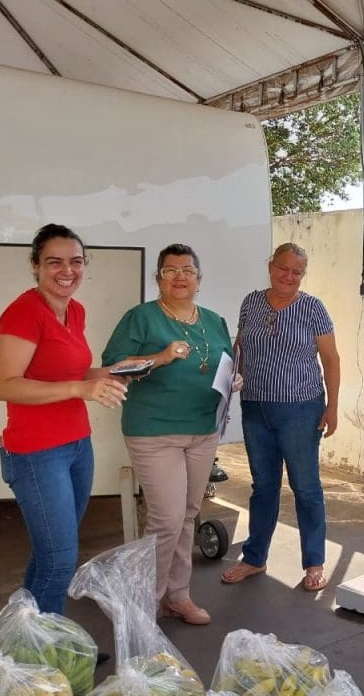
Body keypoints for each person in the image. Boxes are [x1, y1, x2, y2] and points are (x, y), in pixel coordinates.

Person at [0, 224, 136, 615]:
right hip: (37, 453)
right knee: (59, 559)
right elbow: (5, 385)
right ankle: (45, 655)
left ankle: (27, 641)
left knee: (50, 553)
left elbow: (68, 371)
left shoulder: (75, 310)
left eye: (76, 261)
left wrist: (106, 372)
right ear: (35, 265)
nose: (66, 270)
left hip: (75, 446)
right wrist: (79, 390)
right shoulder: (24, 313)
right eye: (54, 262)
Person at [101, 243, 241, 625]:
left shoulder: (214, 320)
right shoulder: (141, 318)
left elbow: (221, 363)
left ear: (199, 278)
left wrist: (233, 380)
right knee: (166, 518)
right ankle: (145, 600)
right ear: (158, 277)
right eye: (170, 270)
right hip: (154, 430)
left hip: (202, 429)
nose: (179, 276)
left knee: (187, 515)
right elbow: (113, 368)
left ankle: (177, 595)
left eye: (187, 270)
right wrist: (161, 357)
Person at [221, 242, 340, 592]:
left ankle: (314, 562)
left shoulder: (313, 308)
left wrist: (332, 407)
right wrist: (230, 382)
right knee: (263, 487)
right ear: (270, 265)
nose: (288, 276)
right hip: (256, 407)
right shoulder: (251, 302)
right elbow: (240, 346)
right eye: (283, 268)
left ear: (302, 275)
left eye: (296, 272)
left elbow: (331, 359)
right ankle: (255, 558)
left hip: (301, 410)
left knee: (305, 487)